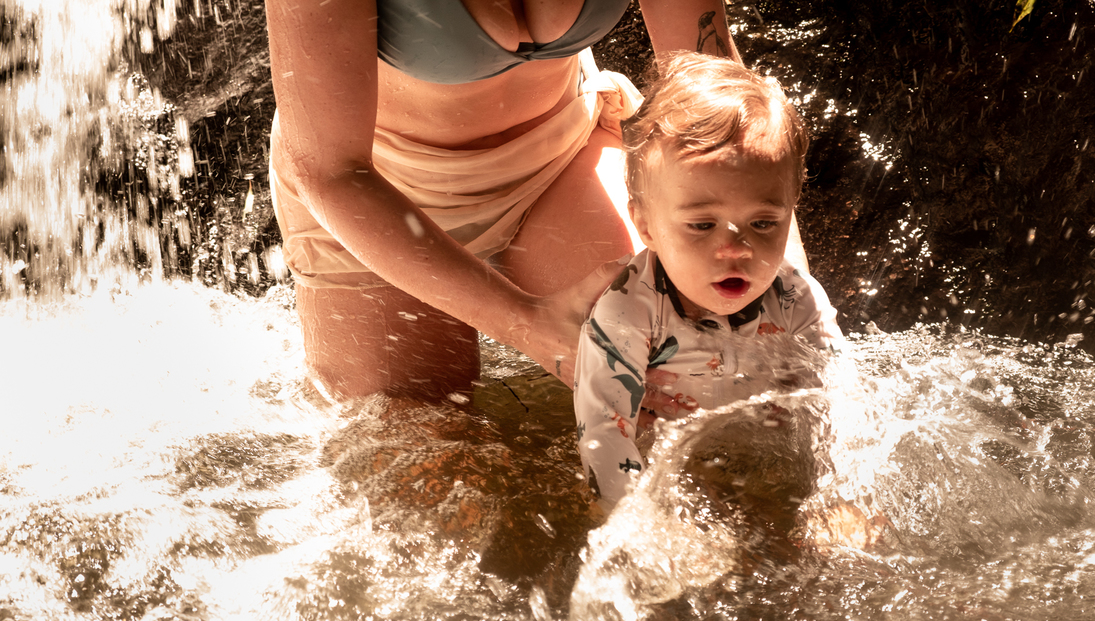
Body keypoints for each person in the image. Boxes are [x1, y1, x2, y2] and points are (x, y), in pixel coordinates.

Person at [265, 0, 753, 403]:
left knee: (700, 392)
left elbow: (721, 108)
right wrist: (530, 327)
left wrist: (775, 288)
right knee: (429, 483)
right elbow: (330, 172)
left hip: (561, 157)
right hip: (377, 199)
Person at [573, 52, 843, 511]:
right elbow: (603, 429)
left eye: (763, 223)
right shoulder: (629, 309)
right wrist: (638, 529)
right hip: (665, 464)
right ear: (646, 225)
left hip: (761, 454)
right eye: (702, 226)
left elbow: (840, 403)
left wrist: (839, 497)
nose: (736, 249)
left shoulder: (797, 298)